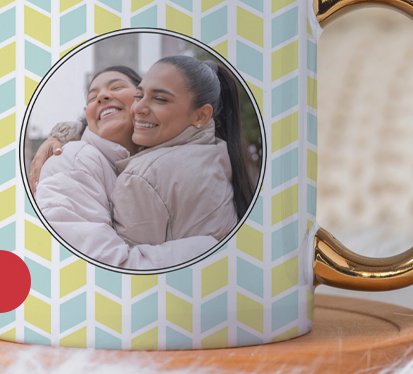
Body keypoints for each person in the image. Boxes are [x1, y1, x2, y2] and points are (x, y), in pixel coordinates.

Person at [33, 66, 216, 270]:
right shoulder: (75, 161)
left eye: (117, 87)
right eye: (92, 98)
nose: (102, 96)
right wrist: (212, 249)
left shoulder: (167, 159)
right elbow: (102, 267)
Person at [111, 56, 254, 246]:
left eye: (160, 99)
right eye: (139, 96)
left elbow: (131, 271)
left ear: (201, 115)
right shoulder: (218, 152)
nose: (138, 108)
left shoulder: (142, 177)